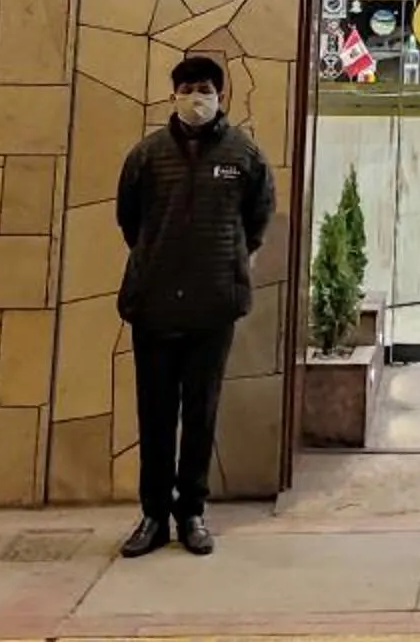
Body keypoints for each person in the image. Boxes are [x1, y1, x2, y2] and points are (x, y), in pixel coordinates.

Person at [114, 52, 274, 556]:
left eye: (203, 89)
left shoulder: (244, 155)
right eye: (186, 89)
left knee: (201, 412)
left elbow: (257, 219)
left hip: (213, 302)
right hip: (154, 302)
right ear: (173, 95)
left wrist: (227, 258)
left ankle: (193, 514)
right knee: (155, 413)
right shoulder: (147, 155)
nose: (195, 98)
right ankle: (153, 515)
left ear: (219, 95)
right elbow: (130, 221)